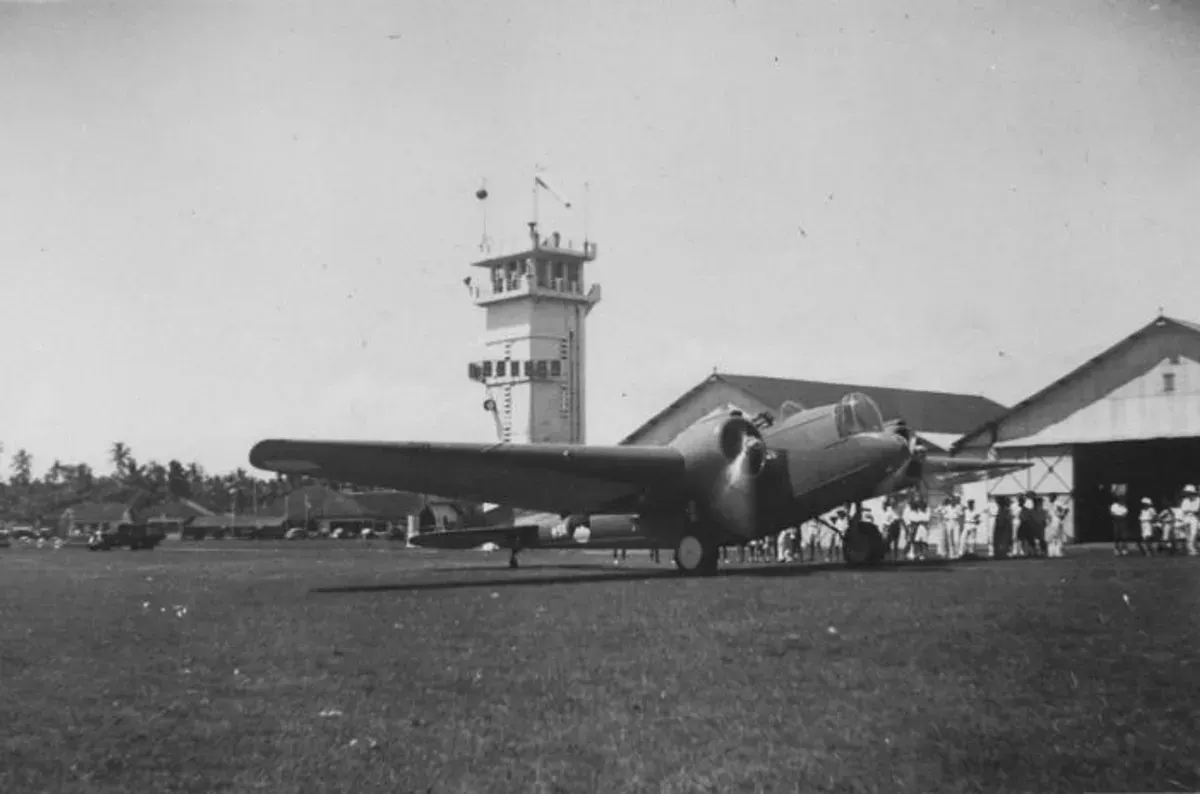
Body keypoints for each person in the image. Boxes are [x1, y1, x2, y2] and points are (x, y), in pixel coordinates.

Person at [1182, 485, 1200, 556]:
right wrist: (1192, 510)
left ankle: (1192, 549)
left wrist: (1190, 510)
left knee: (1194, 533)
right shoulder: (1185, 500)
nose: (1187, 494)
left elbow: (1197, 510)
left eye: (1188, 492)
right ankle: (1190, 550)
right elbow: (1184, 510)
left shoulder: (1198, 500)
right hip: (1186, 518)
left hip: (1194, 518)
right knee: (1187, 535)